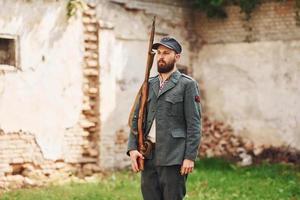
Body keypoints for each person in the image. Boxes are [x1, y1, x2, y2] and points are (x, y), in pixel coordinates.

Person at [127, 36, 202, 200]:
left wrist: (189, 157)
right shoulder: (149, 84)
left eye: (166, 53)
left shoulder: (187, 85)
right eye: (159, 52)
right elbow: (136, 119)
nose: (161, 56)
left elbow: (194, 124)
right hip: (148, 155)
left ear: (177, 57)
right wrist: (133, 148)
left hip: (173, 156)